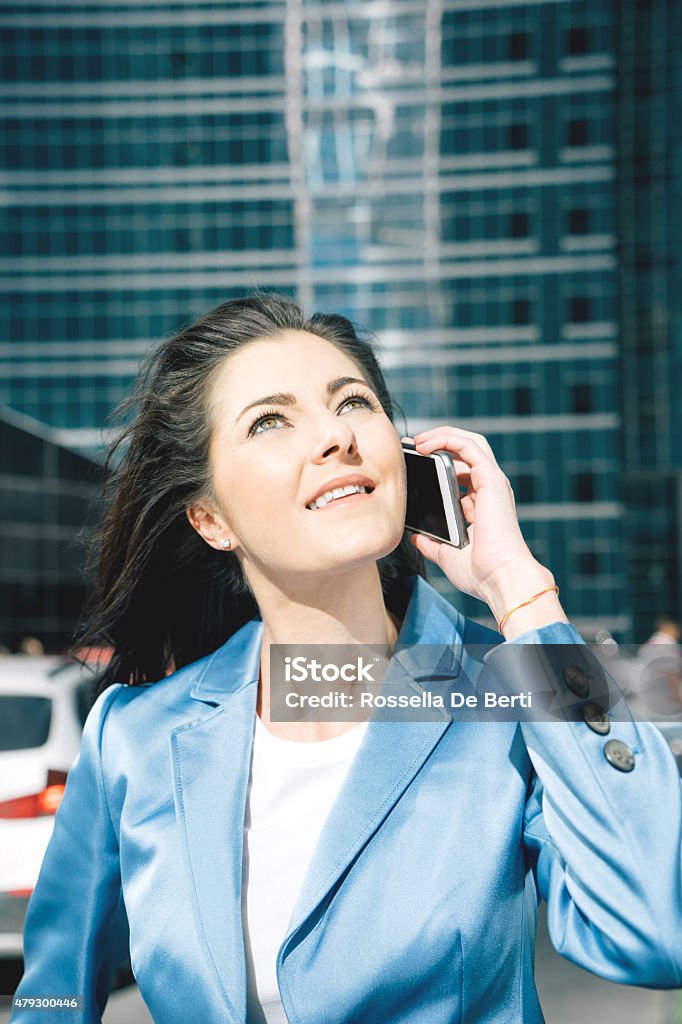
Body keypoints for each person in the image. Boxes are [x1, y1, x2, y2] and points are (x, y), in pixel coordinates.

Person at [11, 294, 682, 1024]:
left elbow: (654, 929)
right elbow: (50, 996)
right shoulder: (132, 738)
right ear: (211, 519)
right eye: (270, 420)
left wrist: (519, 591)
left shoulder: (509, 693)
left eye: (354, 403)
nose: (334, 436)